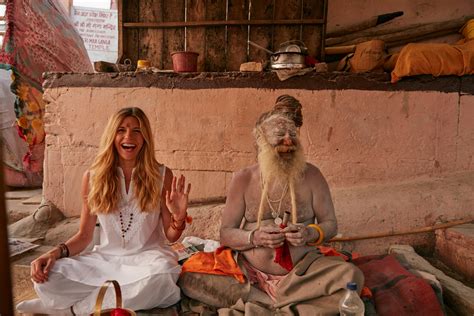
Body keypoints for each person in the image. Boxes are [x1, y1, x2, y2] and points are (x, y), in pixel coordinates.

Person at [180, 95, 364, 315]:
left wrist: (310, 233)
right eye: (279, 135)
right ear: (262, 140)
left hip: (301, 275)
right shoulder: (243, 179)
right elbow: (226, 234)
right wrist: (254, 237)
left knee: (352, 276)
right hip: (248, 276)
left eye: (293, 135)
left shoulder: (313, 176)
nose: (288, 140)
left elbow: (330, 224)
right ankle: (286, 307)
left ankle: (264, 307)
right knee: (189, 277)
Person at [17, 107, 191, 315]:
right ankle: (96, 302)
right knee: (48, 279)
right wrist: (54, 253)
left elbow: (171, 236)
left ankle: (69, 311)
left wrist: (178, 218)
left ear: (145, 138)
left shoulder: (162, 175)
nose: (129, 136)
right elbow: (84, 236)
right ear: (112, 135)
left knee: (164, 276)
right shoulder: (93, 177)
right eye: (121, 130)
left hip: (148, 261)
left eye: (137, 130)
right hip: (104, 261)